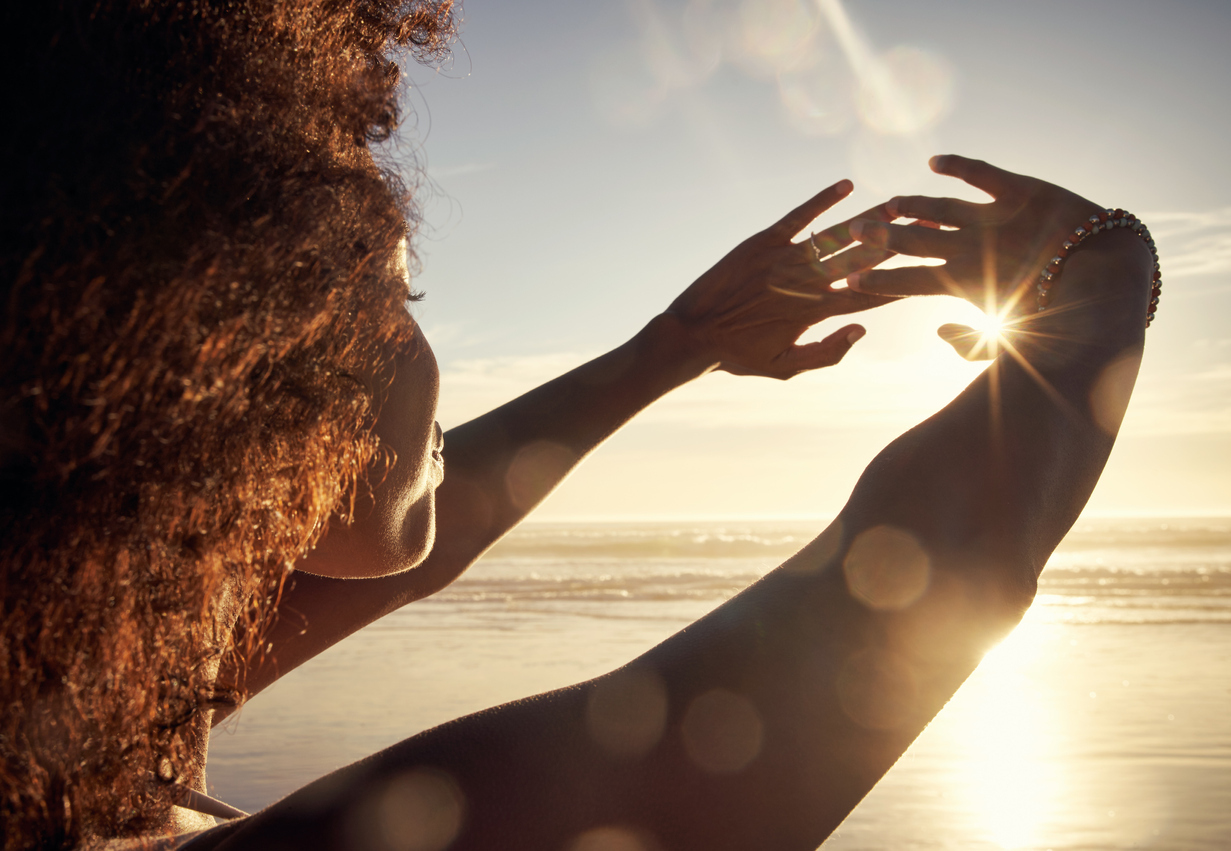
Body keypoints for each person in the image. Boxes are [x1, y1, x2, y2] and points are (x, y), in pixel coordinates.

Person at [0, 2, 1157, 849]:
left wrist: (674, 345)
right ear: (229, 356)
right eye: (398, 298)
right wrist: (1101, 288)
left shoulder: (56, 724)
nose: (429, 359)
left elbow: (414, 547)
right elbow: (907, 599)